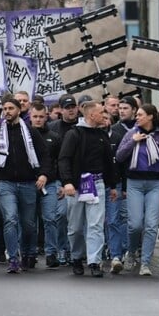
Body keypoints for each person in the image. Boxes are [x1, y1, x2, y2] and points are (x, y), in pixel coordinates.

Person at [0, 95, 52, 274]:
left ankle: (28, 253)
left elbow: (45, 155)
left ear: (19, 110)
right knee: (10, 219)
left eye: (11, 108)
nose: (7, 112)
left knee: (28, 224)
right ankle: (13, 258)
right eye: (5, 109)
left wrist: (43, 174)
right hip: (5, 183)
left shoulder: (31, 131)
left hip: (28, 183)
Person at [59, 100, 118, 277]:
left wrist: (112, 185)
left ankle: (94, 261)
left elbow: (109, 162)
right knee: (75, 226)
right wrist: (67, 181)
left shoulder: (102, 135)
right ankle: (77, 257)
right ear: (92, 115)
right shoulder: (74, 134)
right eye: (101, 112)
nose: (105, 115)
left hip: (97, 183)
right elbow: (64, 158)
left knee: (96, 225)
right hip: (77, 185)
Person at [115, 104, 159, 276]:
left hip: (155, 183)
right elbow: (119, 156)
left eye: (140, 115)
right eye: (136, 115)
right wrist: (133, 141)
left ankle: (145, 262)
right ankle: (131, 252)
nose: (137, 117)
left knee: (151, 225)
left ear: (150, 117)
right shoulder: (131, 133)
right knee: (135, 224)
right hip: (134, 183)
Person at [30, 102, 67, 269]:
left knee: (50, 218)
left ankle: (51, 253)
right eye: (35, 116)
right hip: (28, 183)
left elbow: (60, 161)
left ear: (46, 117)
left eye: (41, 116)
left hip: (50, 183)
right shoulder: (25, 136)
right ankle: (30, 253)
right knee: (29, 221)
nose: (38, 120)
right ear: (30, 117)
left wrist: (62, 183)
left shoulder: (54, 137)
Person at [107, 96, 137, 272]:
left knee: (131, 219)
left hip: (133, 179)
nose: (121, 111)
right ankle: (116, 253)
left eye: (125, 108)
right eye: (120, 108)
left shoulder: (140, 128)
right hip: (117, 180)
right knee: (114, 218)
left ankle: (129, 249)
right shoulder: (117, 131)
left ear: (134, 110)